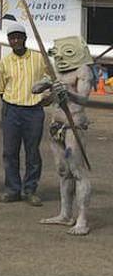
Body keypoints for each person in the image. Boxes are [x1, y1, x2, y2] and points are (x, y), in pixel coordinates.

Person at [33, 36, 93, 235]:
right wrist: (45, 86)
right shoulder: (55, 71)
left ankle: (82, 219)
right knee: (62, 170)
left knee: (77, 171)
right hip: (56, 126)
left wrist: (68, 93)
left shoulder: (83, 71)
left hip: (72, 128)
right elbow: (39, 95)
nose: (59, 56)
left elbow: (83, 99)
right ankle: (65, 214)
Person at [0, 22, 49, 205]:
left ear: (25, 38)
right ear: (9, 41)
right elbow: (1, 90)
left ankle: (30, 190)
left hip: (34, 111)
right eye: (12, 38)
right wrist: (11, 106)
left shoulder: (39, 59)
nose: (16, 40)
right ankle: (12, 190)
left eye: (19, 37)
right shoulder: (4, 62)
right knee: (10, 152)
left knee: (32, 152)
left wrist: (46, 96)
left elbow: (51, 78)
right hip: (11, 110)